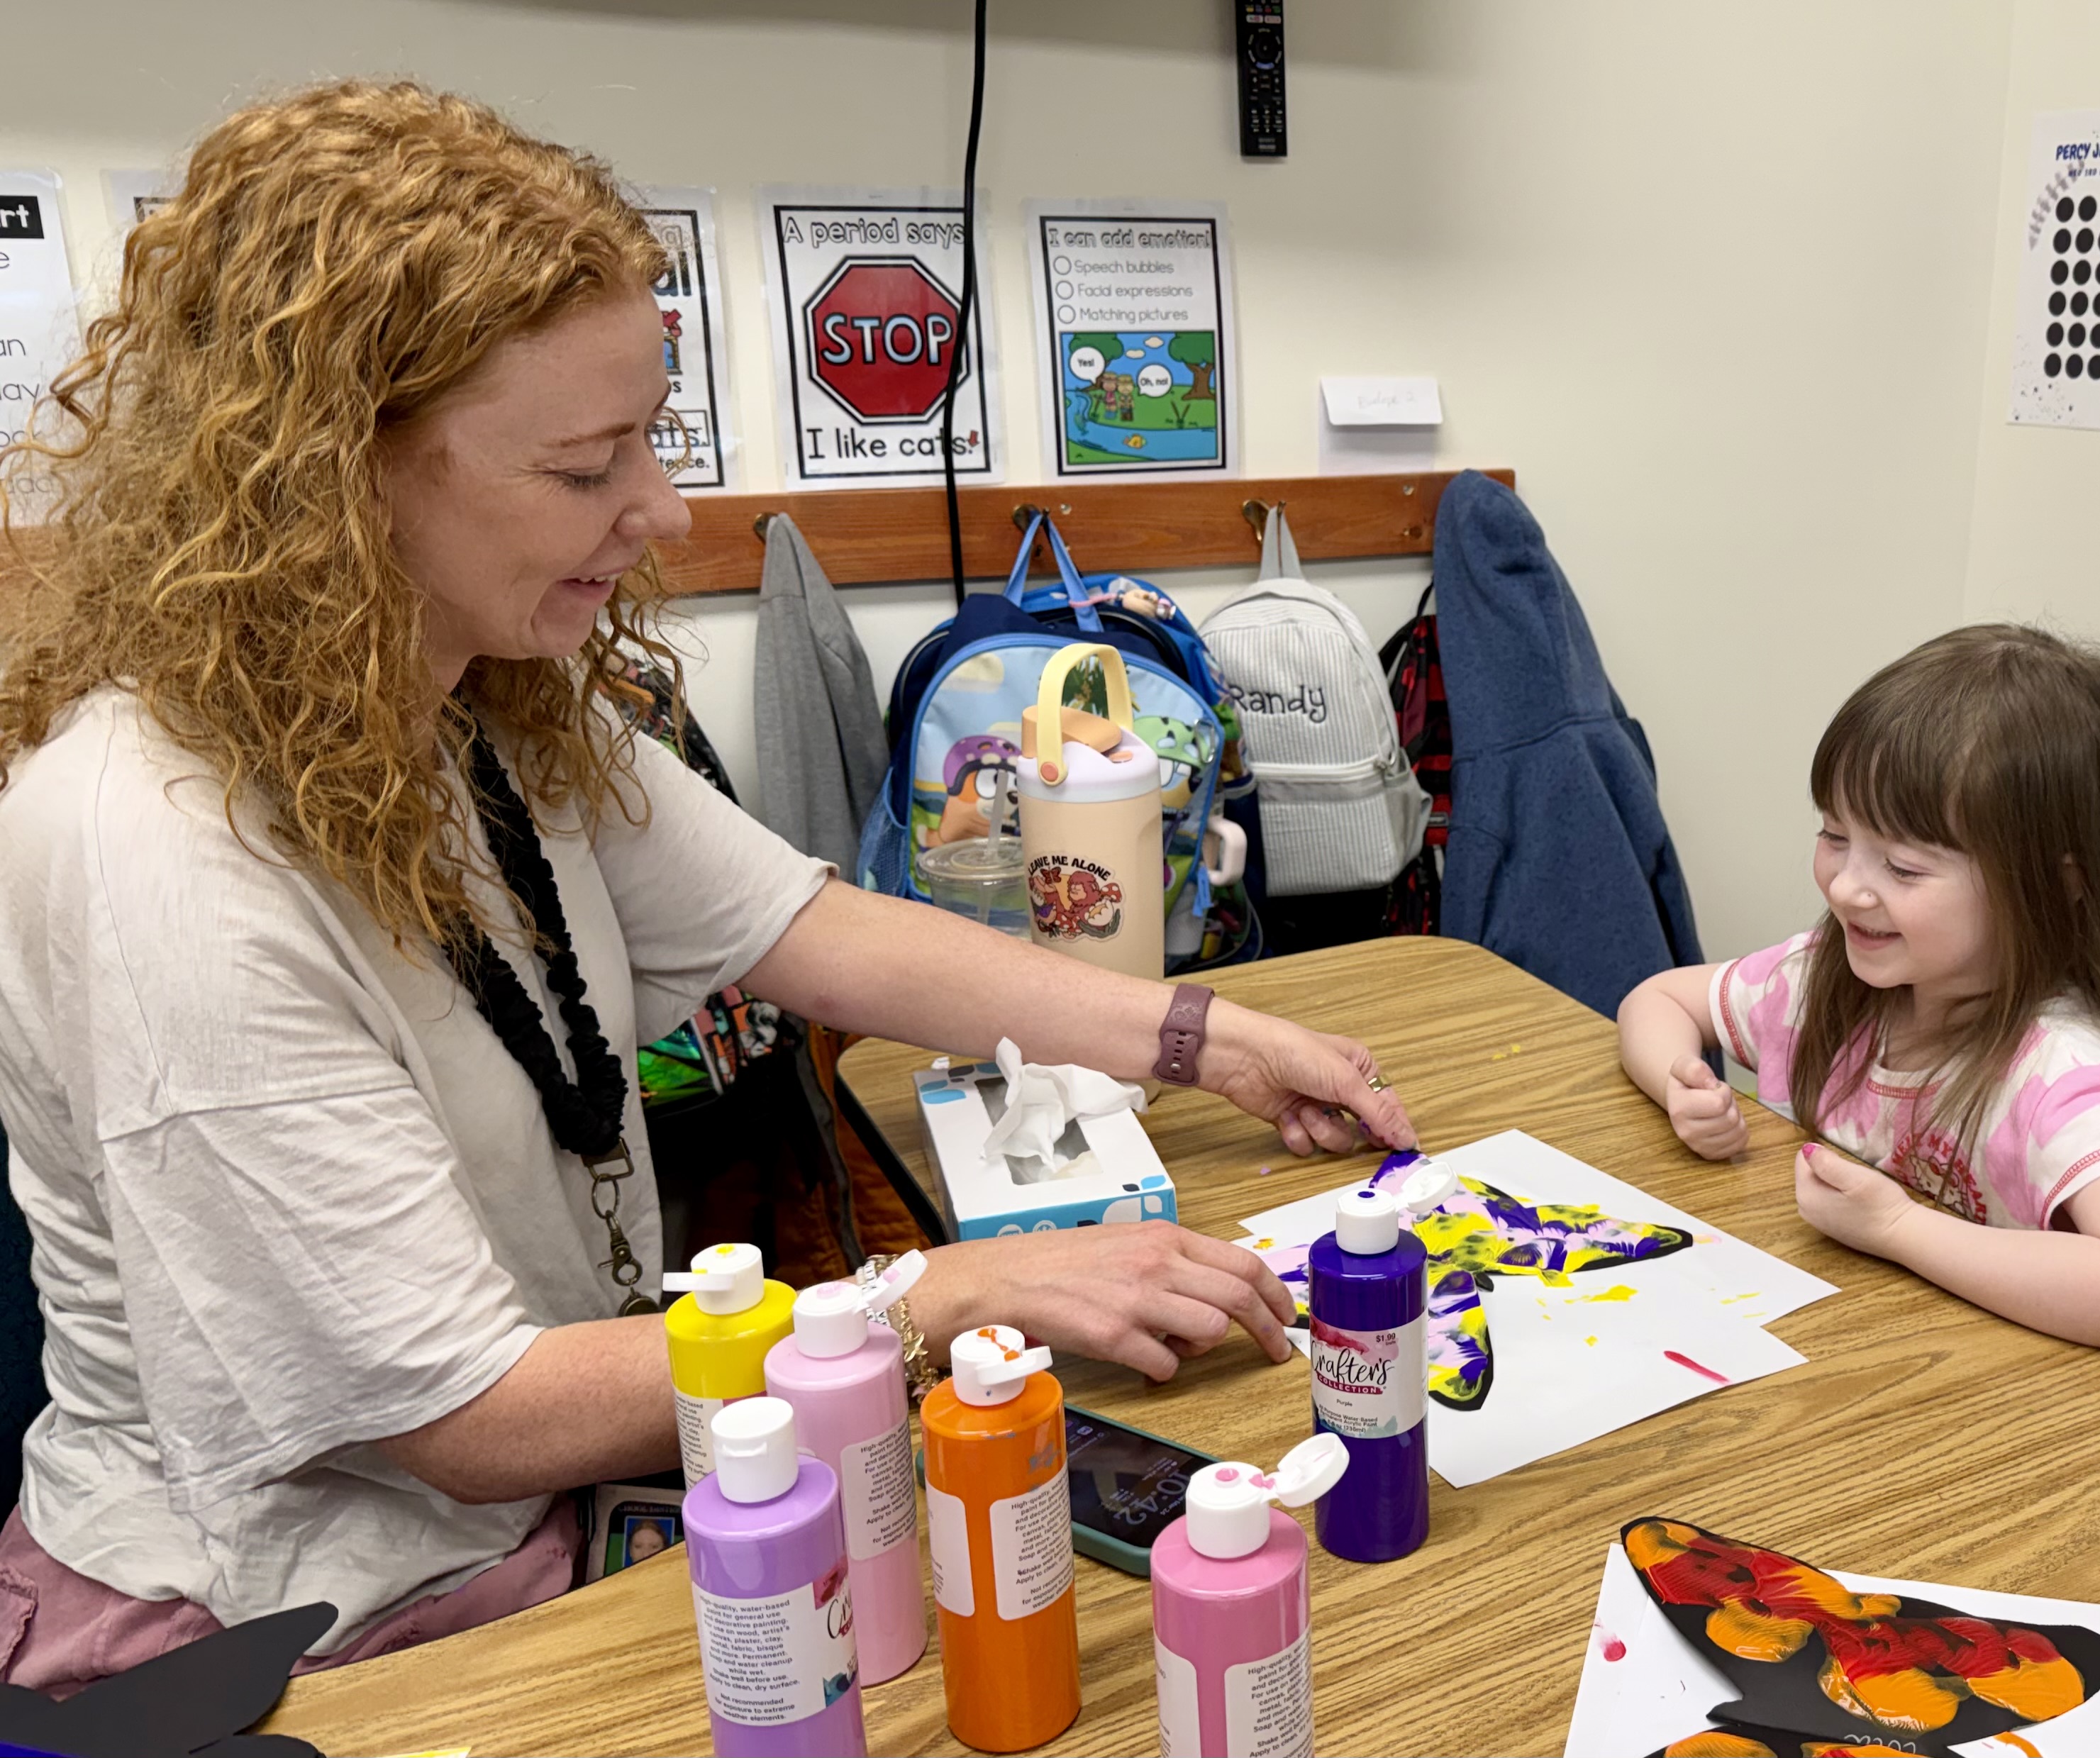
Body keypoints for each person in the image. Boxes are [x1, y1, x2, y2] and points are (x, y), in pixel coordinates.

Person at [0, 81, 1414, 1689]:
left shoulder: (472, 702)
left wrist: (1204, 1034)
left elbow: (810, 928)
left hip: (551, 1498)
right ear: (335, 479)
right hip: (304, 1614)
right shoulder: (156, 847)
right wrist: (941, 1292)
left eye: (651, 443)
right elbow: (463, 1417)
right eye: (590, 465)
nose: (660, 514)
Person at [1616, 625, 2100, 1359]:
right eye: (1834, 835)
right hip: (1829, 1355)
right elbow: (1656, 999)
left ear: (2054, 881)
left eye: (1902, 868)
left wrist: (1899, 1229)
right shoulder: (1823, 980)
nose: (1844, 886)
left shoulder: (2055, 1073)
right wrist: (1678, 1085)